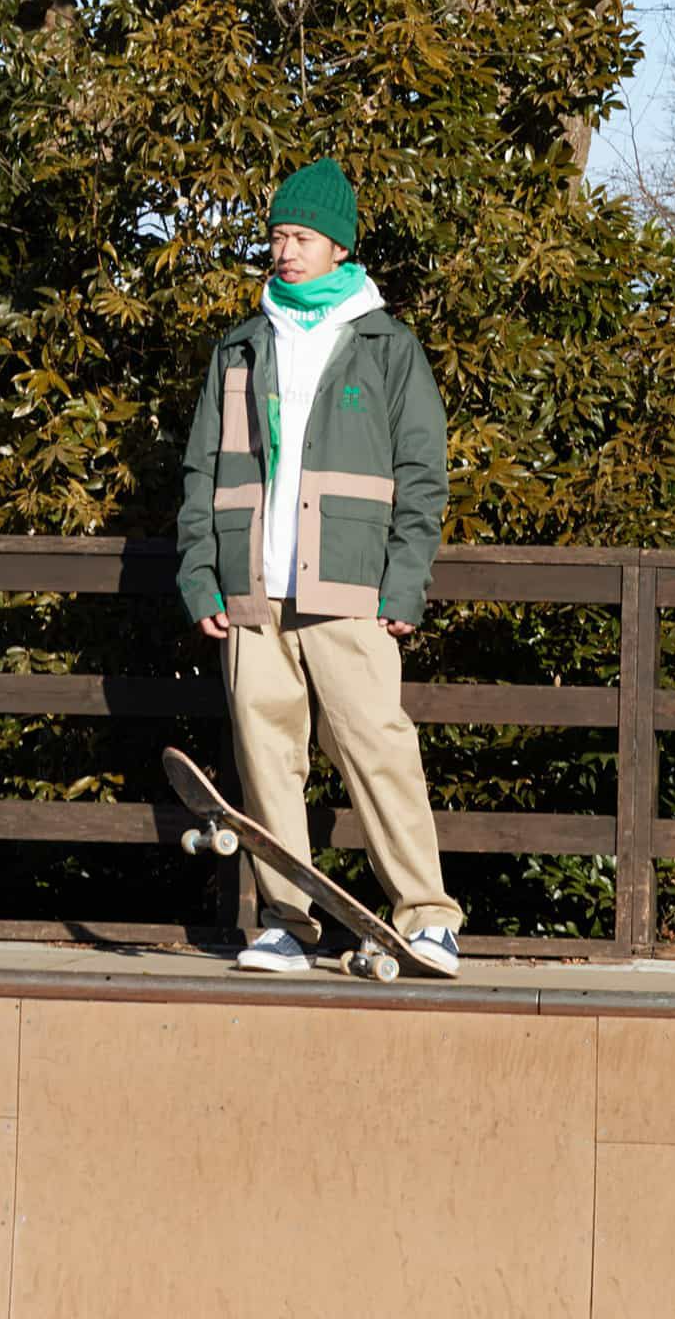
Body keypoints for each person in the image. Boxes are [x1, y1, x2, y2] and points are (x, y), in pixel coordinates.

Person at [175, 157, 463, 974]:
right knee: (266, 761)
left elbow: (423, 476)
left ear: (340, 247)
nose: (285, 251)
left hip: (351, 590)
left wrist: (404, 582)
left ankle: (429, 915)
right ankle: (284, 923)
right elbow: (201, 470)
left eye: (302, 237)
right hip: (251, 592)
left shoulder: (387, 347)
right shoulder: (239, 348)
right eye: (278, 236)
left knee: (379, 748)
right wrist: (201, 574)